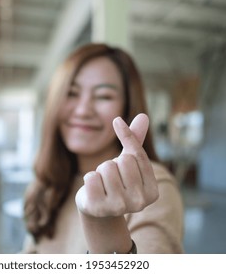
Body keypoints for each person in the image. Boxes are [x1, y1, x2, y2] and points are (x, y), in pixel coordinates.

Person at [22, 43, 184, 254]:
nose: (82, 110)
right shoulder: (48, 183)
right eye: (71, 93)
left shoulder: (150, 185)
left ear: (127, 109)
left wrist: (104, 226)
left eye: (103, 96)